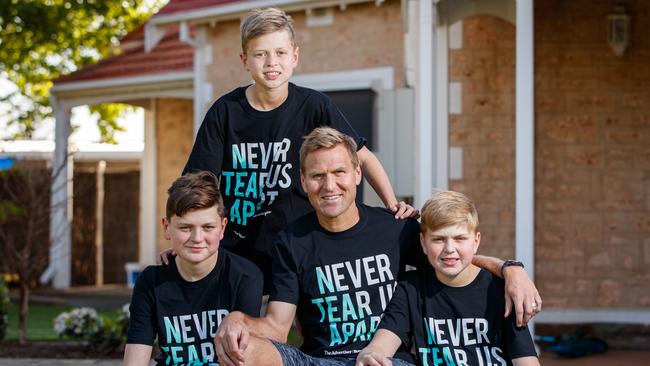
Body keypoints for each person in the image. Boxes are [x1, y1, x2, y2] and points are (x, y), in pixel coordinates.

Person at [214, 128, 541, 366]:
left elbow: (451, 257)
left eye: (339, 171)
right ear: (303, 182)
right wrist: (237, 320)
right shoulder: (290, 241)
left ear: (358, 173)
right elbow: (277, 328)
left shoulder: (394, 229)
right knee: (244, 351)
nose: (330, 185)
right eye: (318, 176)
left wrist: (509, 269)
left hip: (386, 360)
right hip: (321, 361)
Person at [179, 8, 416, 284]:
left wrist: (392, 204)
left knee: (312, 323)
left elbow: (362, 157)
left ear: (295, 57)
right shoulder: (225, 112)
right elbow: (198, 184)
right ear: (244, 60)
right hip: (240, 250)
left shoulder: (314, 106)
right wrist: (183, 237)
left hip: (303, 245)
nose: (271, 63)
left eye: (280, 53)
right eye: (260, 54)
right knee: (242, 325)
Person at [355, 190, 540, 366]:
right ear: (423, 243)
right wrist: (371, 352)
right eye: (438, 239)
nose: (449, 248)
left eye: (460, 238)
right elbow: (385, 340)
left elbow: (526, 360)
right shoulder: (411, 288)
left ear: (476, 241)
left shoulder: (500, 290)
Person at [123, 172, 263, 366]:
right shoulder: (151, 282)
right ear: (166, 227)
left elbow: (248, 356)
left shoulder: (245, 276)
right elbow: (135, 359)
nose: (197, 238)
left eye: (207, 227)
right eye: (185, 228)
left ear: (222, 228)